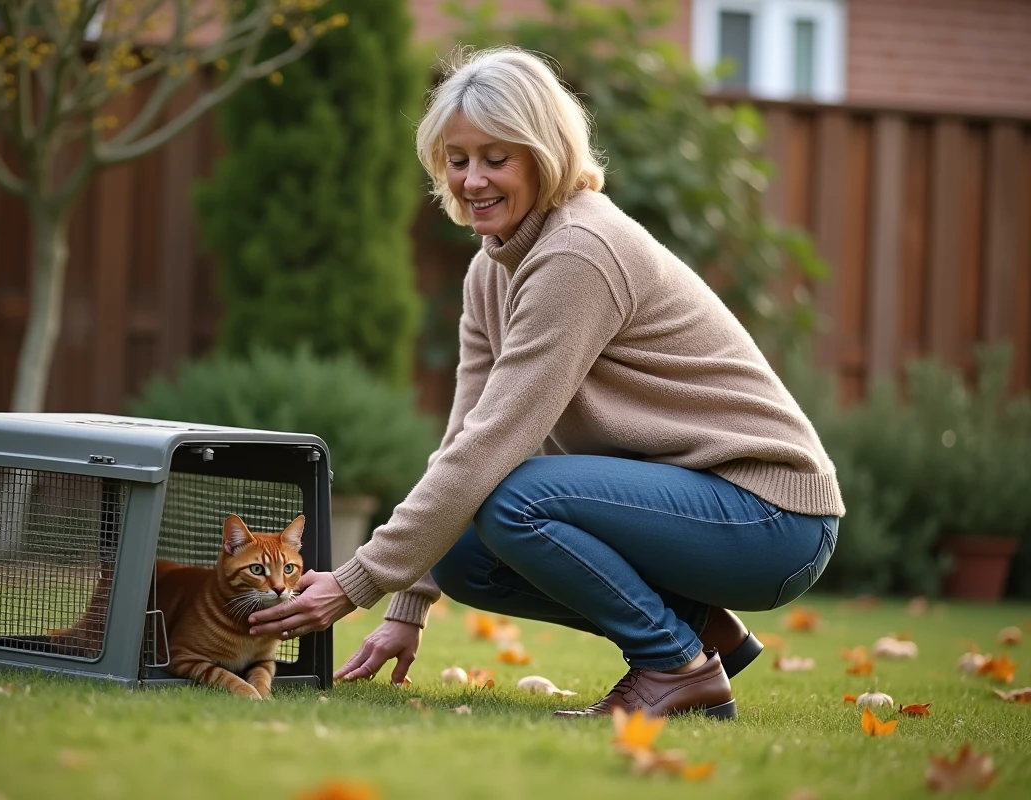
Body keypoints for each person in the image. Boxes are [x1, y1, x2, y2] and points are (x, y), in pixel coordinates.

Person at [247, 45, 844, 719]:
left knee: (512, 498)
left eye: (496, 158)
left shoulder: (577, 253)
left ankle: (673, 665)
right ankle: (698, 630)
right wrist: (408, 603)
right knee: (467, 555)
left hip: (772, 515)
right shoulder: (491, 269)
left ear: (545, 154)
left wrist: (355, 584)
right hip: (701, 508)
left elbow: (496, 445)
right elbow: (463, 439)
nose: (472, 180)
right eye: (457, 158)